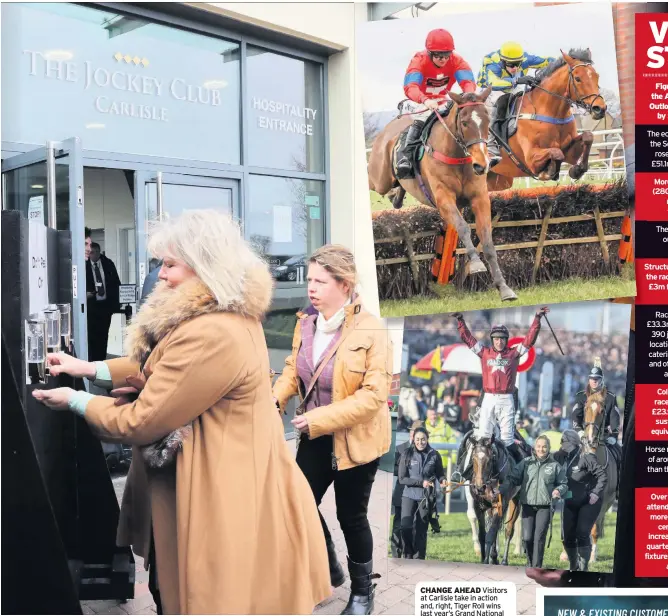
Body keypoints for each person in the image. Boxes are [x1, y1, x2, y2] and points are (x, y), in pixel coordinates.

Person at [33, 210, 331, 615]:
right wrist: (86, 369)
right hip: (223, 481)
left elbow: (139, 422)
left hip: (217, 494)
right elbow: (160, 364)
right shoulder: (217, 315)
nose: (162, 275)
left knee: (196, 595)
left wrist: (75, 400)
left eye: (170, 264)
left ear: (203, 265)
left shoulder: (212, 331)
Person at [272, 244, 392, 616]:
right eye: (309, 280)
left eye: (320, 282)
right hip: (315, 436)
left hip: (357, 441)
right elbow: (294, 368)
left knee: (350, 516)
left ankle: (361, 592)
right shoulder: (306, 321)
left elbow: (373, 398)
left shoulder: (372, 329)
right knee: (298, 502)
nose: (311, 288)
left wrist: (318, 419)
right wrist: (273, 401)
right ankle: (328, 565)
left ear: (344, 285)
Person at [451, 308, 548, 477]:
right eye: (496, 339)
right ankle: (462, 471)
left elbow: (529, 340)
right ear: (492, 340)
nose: (499, 342)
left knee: (507, 440)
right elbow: (468, 339)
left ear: (506, 340)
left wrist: (537, 318)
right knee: (481, 438)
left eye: (502, 339)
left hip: (507, 399)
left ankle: (520, 474)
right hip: (488, 398)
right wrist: (461, 321)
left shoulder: (514, 353)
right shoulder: (484, 352)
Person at [395, 28, 476, 179]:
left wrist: (468, 96)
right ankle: (405, 157)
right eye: (438, 55)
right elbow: (410, 87)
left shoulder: (457, 60)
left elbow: (468, 82)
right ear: (430, 53)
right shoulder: (418, 60)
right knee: (424, 114)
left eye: (446, 55)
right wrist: (425, 100)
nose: (443, 59)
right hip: (416, 99)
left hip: (441, 99)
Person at [477, 42, 555, 165]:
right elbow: (493, 83)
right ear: (502, 61)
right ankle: (491, 147)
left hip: (514, 87)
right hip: (492, 90)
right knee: (493, 107)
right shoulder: (492, 63)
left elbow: (547, 61)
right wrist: (517, 80)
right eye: (511, 65)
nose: (515, 68)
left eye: (518, 64)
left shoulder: (525, 58)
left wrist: (565, 62)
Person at [499, 435, 567, 567]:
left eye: (544, 446)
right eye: (539, 446)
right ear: (534, 448)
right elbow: (512, 478)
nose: (541, 449)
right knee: (527, 538)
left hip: (545, 507)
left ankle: (537, 567)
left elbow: (564, 483)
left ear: (548, 448)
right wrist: (501, 490)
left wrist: (558, 490)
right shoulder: (526, 463)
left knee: (539, 538)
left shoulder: (555, 466)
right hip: (528, 505)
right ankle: (530, 563)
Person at [553, 429, 607, 572]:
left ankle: (584, 569)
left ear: (571, 442)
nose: (560, 444)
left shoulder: (586, 456)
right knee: (567, 536)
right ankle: (573, 566)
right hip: (570, 499)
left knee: (582, 532)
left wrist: (596, 492)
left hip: (589, 500)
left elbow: (602, 475)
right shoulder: (560, 456)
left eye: (562, 441)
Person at [398, 427, 446, 559]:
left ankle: (419, 558)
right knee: (405, 527)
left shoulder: (434, 454)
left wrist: (443, 481)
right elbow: (402, 479)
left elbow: (440, 474)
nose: (420, 442)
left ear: (427, 439)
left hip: (426, 498)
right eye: (418, 439)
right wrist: (421, 483)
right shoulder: (406, 454)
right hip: (409, 495)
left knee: (421, 531)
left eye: (423, 439)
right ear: (413, 439)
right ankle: (407, 553)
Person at [571, 358, 622, 461]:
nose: (594, 381)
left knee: (620, 456)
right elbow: (576, 416)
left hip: (604, 437)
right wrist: (580, 432)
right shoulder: (581, 396)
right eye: (592, 378)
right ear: (589, 379)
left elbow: (614, 419)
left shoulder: (610, 398)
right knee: (567, 454)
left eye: (597, 379)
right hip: (584, 435)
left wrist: (614, 436)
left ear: (601, 379)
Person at [85, 233, 121, 361]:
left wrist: (116, 303)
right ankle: (91, 360)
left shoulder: (108, 264)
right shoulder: (84, 265)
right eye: (92, 252)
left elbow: (116, 283)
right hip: (90, 307)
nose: (94, 254)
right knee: (91, 335)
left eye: (96, 251)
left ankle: (101, 359)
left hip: (105, 307)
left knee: (103, 335)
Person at [391, 420, 423, 558]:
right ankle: (396, 555)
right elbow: (392, 469)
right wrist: (408, 470)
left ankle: (413, 557)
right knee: (399, 526)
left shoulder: (428, 452)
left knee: (417, 528)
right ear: (411, 433)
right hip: (402, 493)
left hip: (420, 495)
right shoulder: (400, 449)